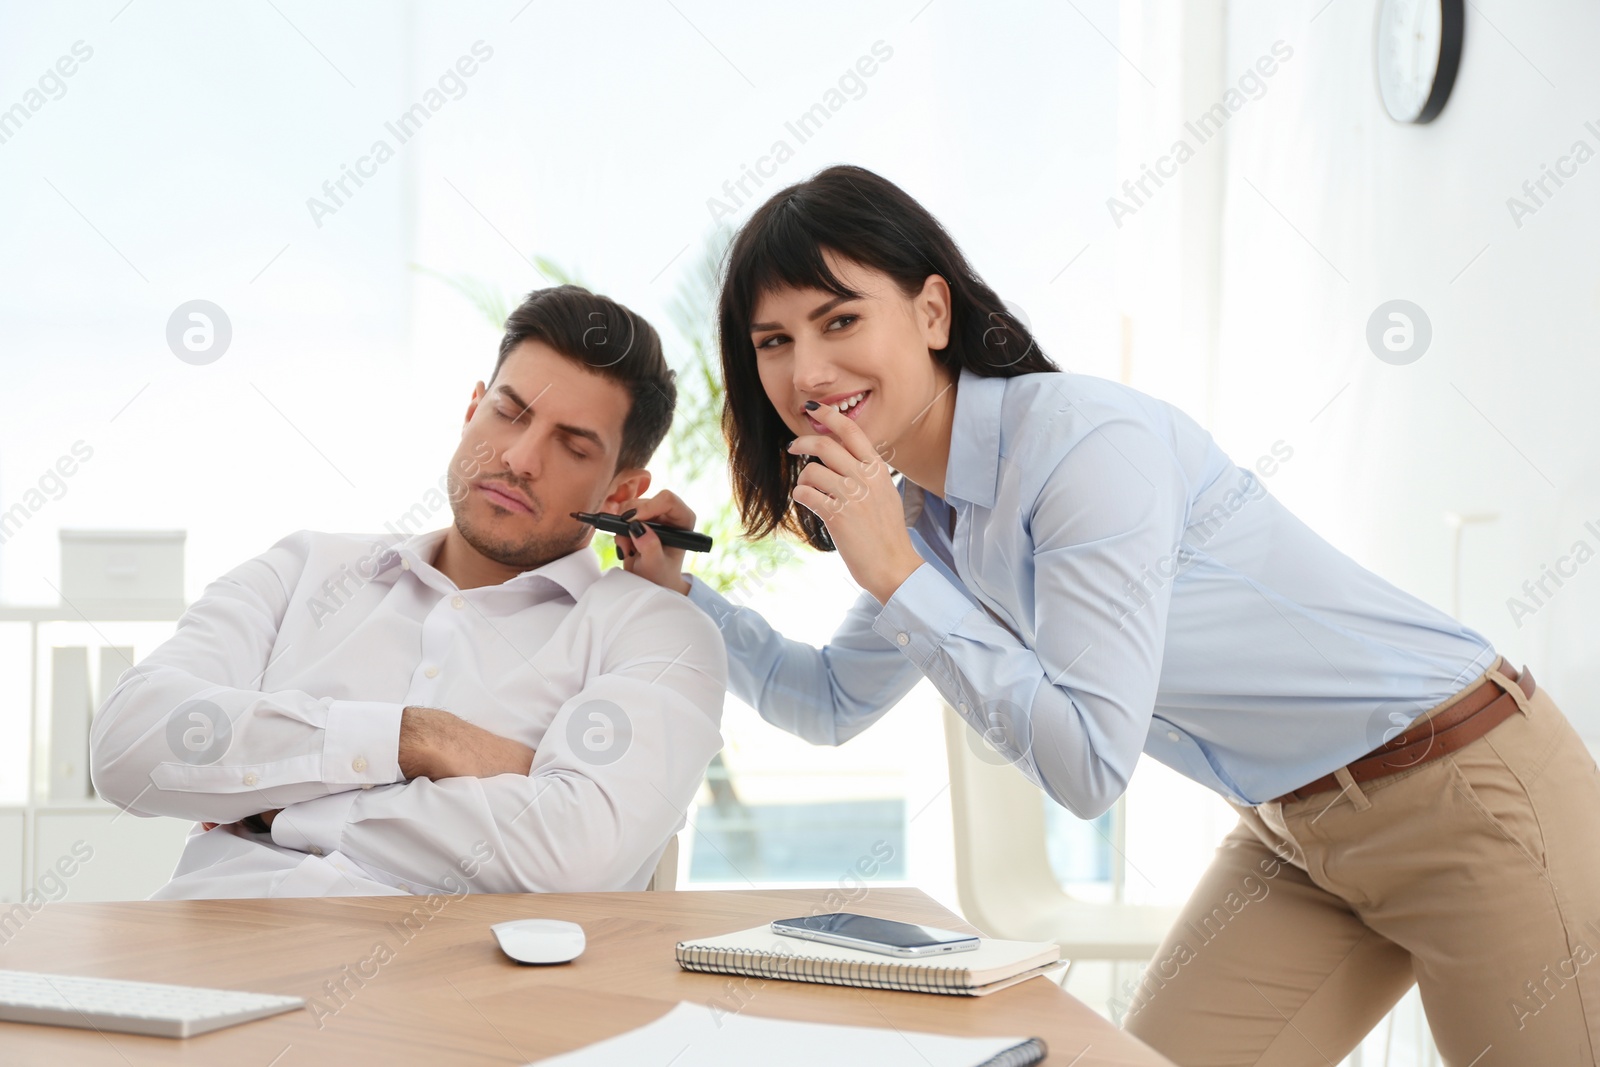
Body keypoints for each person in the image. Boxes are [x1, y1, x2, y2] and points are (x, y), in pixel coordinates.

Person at [616, 164, 1600, 1064]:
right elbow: (825, 702)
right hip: (1295, 830)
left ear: (929, 311)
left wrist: (898, 574)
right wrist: (684, 591)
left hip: (1463, 789)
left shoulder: (1081, 447)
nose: (807, 374)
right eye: (774, 343)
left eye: (838, 322)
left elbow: (1090, 764)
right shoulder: (921, 514)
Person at [91, 285, 726, 900]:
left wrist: (278, 799)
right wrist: (422, 739)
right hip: (189, 964)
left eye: (572, 446)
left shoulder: (656, 634)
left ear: (619, 494)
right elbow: (129, 745)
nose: (521, 458)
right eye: (510, 412)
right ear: (474, 406)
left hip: (438, 1001)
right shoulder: (304, 567)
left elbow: (574, 855)